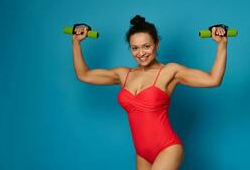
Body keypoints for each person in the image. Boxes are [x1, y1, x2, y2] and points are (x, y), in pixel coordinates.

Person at [72, 15, 227, 170]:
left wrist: (222, 45)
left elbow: (213, 79)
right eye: (135, 48)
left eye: (146, 46)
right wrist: (76, 42)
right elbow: (84, 75)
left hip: (168, 148)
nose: (141, 53)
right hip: (142, 154)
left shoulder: (169, 71)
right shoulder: (123, 74)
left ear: (156, 44)